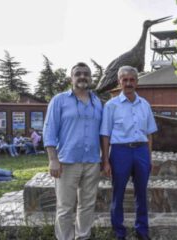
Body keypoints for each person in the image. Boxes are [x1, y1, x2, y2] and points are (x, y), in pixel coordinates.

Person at [43, 62, 103, 240]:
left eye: (86, 74)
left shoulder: (97, 102)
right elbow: (49, 131)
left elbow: (102, 133)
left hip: (92, 162)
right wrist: (52, 159)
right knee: (65, 207)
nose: (82, 76)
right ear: (71, 78)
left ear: (91, 78)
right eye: (78, 74)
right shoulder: (59, 100)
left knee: (87, 205)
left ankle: (82, 237)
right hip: (66, 162)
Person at [100, 66, 157, 240]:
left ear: (137, 82)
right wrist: (106, 160)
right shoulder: (111, 105)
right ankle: (119, 232)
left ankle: (142, 231)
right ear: (119, 82)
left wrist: (149, 157)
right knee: (118, 193)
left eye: (132, 79)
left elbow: (149, 134)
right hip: (120, 152)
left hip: (141, 151)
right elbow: (105, 134)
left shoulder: (145, 104)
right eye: (125, 80)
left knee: (142, 193)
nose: (129, 83)